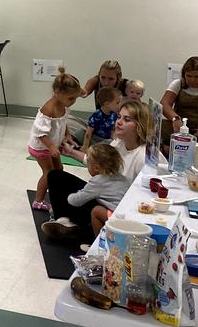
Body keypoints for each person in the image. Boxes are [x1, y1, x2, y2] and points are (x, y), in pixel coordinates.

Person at [47, 101, 165, 237]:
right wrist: (71, 152)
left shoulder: (146, 157)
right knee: (56, 176)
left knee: (78, 197)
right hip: (106, 196)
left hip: (119, 208)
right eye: (119, 117)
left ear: (140, 125)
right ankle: (67, 222)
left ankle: (76, 226)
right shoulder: (119, 143)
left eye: (126, 119)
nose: (119, 122)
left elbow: (152, 196)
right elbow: (96, 162)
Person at [42, 143, 129, 241]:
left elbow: (75, 201)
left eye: (88, 162)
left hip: (109, 216)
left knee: (54, 176)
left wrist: (72, 196)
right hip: (122, 215)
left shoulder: (98, 181)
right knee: (56, 175)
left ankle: (64, 220)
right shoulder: (124, 179)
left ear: (96, 167)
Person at [28, 69, 82, 211]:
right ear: (57, 92)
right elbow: (40, 133)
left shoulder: (63, 106)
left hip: (52, 145)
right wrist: (52, 147)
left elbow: (63, 122)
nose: (73, 102)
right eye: (71, 98)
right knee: (49, 172)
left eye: (75, 98)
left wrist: (68, 135)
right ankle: (38, 201)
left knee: (59, 169)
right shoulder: (48, 110)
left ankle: (56, 193)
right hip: (41, 147)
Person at [159, 56, 198, 145]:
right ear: (184, 74)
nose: (192, 80)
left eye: (197, 77)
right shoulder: (178, 84)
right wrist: (175, 118)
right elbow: (164, 103)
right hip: (179, 128)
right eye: (189, 76)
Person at [82, 86, 121, 152]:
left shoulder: (114, 115)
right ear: (107, 104)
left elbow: (113, 130)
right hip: (94, 138)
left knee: (112, 143)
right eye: (117, 103)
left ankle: (96, 148)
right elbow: (89, 132)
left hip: (105, 140)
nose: (120, 105)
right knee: (80, 132)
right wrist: (85, 147)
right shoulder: (97, 115)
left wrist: (115, 140)